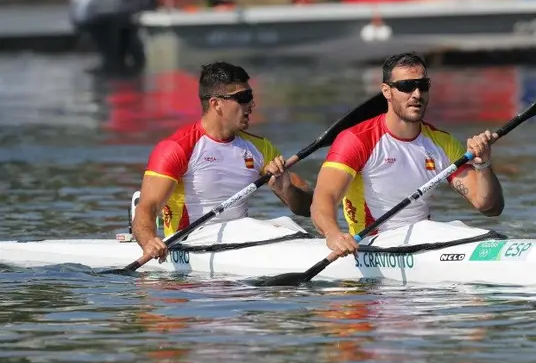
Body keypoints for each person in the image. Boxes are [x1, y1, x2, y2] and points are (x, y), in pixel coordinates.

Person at [310, 52, 504, 258]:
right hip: (373, 244)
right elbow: (324, 198)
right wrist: (333, 235)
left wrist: (483, 165)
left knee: (462, 228)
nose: (417, 94)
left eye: (423, 85)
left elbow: (489, 207)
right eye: (406, 86)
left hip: (423, 241)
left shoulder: (443, 143)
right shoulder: (356, 140)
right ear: (386, 91)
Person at [132, 61, 313, 263]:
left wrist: (286, 190)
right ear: (216, 104)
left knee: (287, 223)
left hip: (240, 238)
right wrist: (149, 241)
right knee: (276, 228)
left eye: (251, 97)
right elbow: (147, 208)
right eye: (243, 98)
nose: (251, 105)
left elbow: (308, 208)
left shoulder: (260, 148)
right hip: (189, 240)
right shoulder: (176, 148)